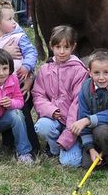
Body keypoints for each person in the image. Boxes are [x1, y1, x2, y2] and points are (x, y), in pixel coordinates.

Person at [0, 0, 39, 153]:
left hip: (18, 81)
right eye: (9, 19)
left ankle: (32, 147)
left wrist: (27, 67)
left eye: (14, 18)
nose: (14, 22)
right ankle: (9, 141)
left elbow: (31, 52)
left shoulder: (18, 36)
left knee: (22, 110)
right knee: (4, 109)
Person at [33, 25, 88, 167]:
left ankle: (70, 144)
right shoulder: (45, 69)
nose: (62, 51)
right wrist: (50, 110)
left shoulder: (79, 71)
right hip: (53, 119)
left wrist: (68, 136)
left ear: (73, 47)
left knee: (71, 163)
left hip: (72, 124)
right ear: (51, 46)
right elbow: (38, 95)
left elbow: (77, 104)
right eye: (58, 47)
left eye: (66, 47)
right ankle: (54, 149)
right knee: (42, 126)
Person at [71, 49, 108, 170]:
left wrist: (87, 120)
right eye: (96, 73)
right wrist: (90, 148)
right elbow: (82, 117)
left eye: (106, 72)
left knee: (101, 131)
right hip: (92, 133)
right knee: (87, 165)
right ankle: (98, 154)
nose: (101, 77)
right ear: (89, 72)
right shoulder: (85, 88)